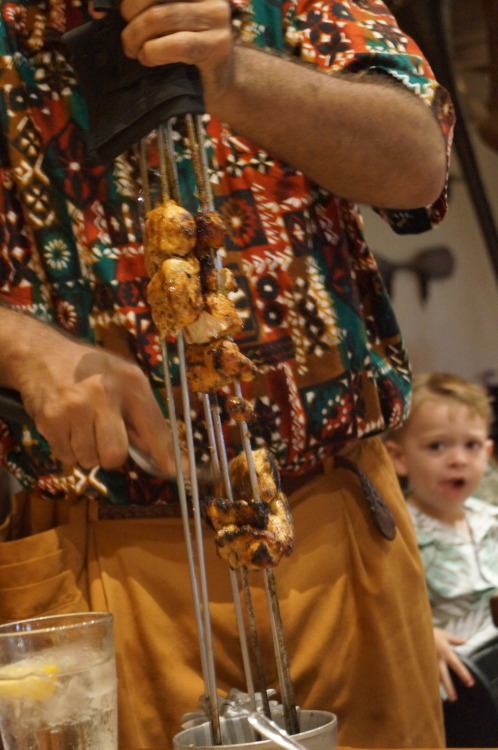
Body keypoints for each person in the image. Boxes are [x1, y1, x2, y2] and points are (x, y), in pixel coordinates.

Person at [0, 0, 454, 747]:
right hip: (97, 552)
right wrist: (18, 346)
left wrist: (234, 73)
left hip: (338, 527)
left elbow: (418, 167)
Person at [385, 372, 498, 702]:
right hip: (447, 685)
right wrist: (424, 634)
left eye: (472, 445)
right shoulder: (398, 533)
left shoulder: (490, 519)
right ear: (399, 458)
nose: (458, 459)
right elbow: (389, 609)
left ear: (488, 452)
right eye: (437, 446)